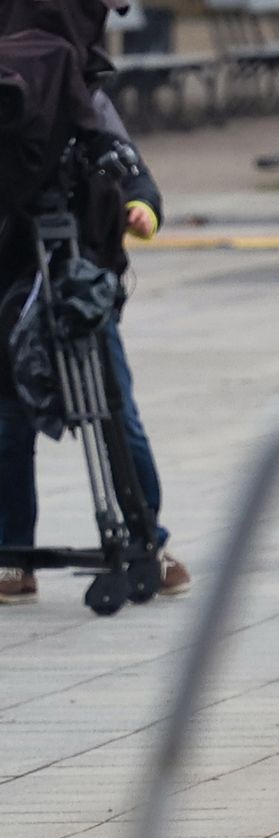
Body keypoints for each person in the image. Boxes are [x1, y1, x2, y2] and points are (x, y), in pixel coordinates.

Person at [0, 28, 190, 603]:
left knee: (114, 411)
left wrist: (141, 208)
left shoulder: (82, 93)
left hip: (77, 278)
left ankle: (145, 543)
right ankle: (12, 555)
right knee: (9, 423)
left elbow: (131, 171)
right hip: (10, 280)